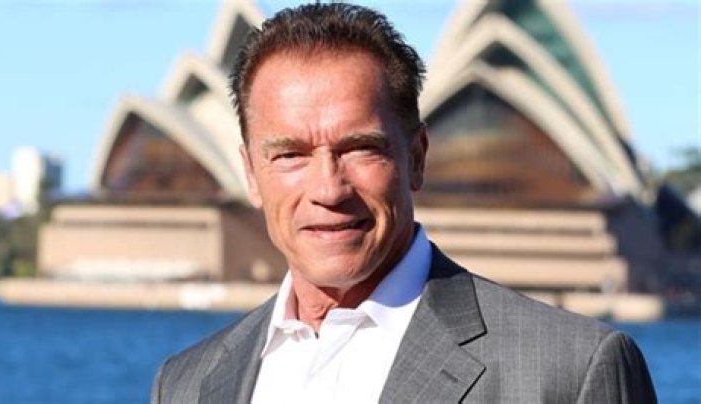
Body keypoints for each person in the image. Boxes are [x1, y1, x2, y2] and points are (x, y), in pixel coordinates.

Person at [151, 3, 656, 403]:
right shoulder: (186, 384)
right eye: (290, 155)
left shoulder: (570, 372)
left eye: (360, 148)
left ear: (416, 158)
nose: (328, 189)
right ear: (250, 174)